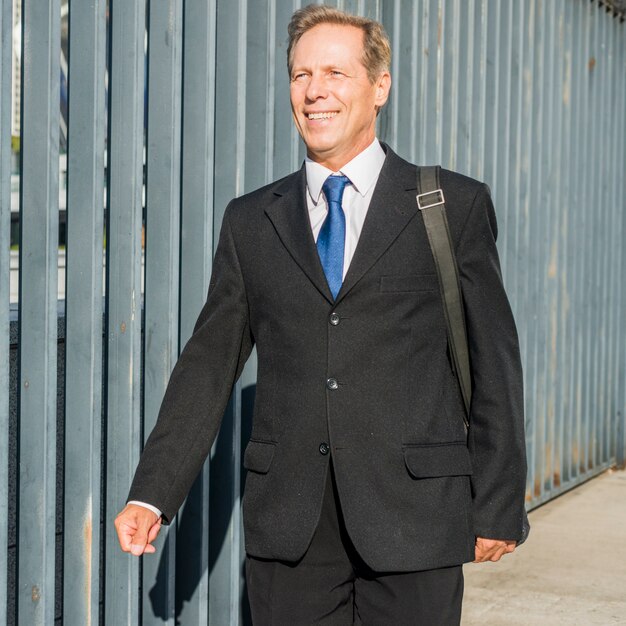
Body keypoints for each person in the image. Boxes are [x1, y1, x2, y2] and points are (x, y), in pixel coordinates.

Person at [115, 5, 527, 624]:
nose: (314, 92)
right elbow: (208, 365)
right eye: (301, 74)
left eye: (335, 72)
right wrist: (153, 494)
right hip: (291, 526)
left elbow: (494, 362)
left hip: (414, 518)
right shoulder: (252, 220)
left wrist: (497, 503)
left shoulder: (449, 206)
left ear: (380, 86)